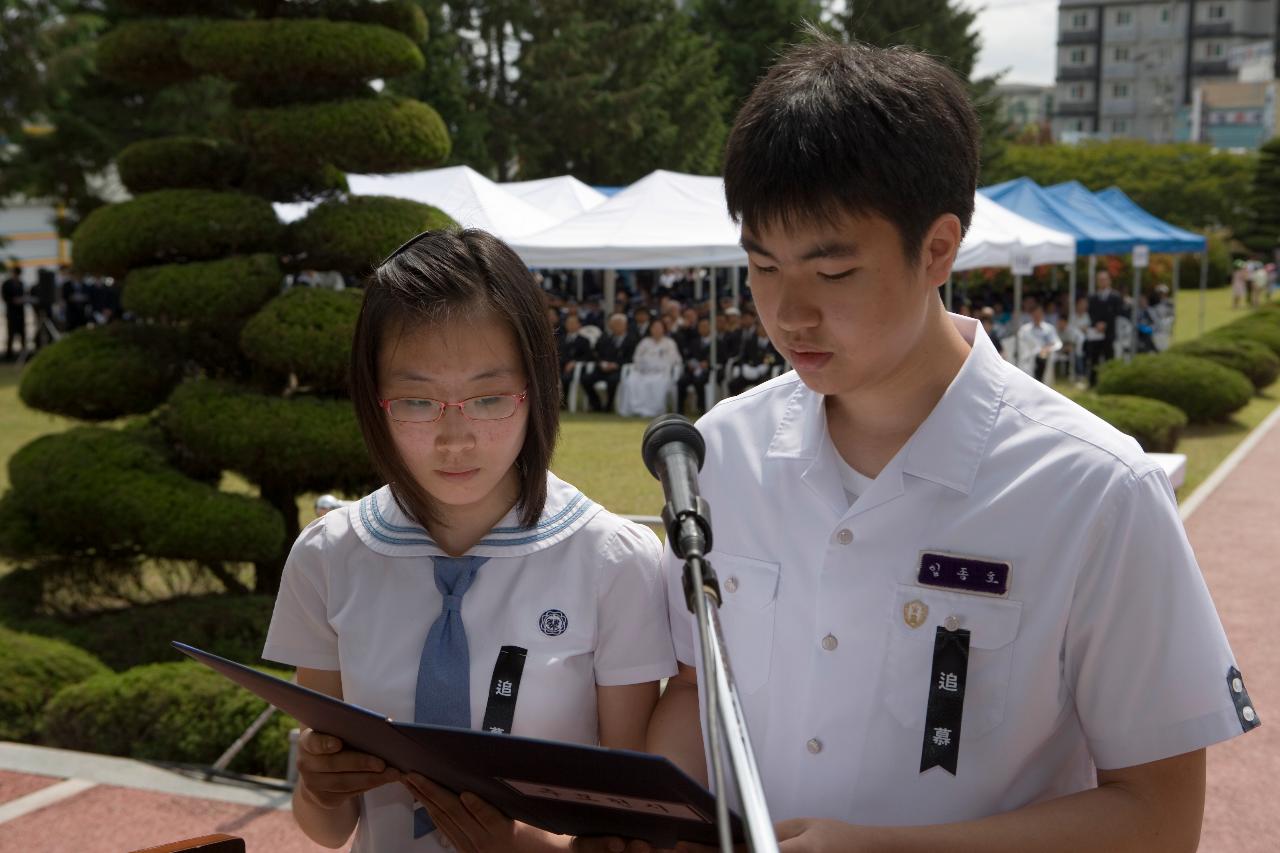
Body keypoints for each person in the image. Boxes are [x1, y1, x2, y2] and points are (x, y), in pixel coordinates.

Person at [582, 33, 1257, 853]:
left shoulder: (1095, 490)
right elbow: (697, 688)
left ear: (939, 248)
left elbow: (1158, 816)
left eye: (832, 274)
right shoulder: (721, 452)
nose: (790, 313)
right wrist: (654, 824)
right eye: (762, 266)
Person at [262, 229, 676, 853]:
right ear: (375, 400)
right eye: (417, 401)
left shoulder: (613, 561)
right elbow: (327, 829)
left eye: (487, 398)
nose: (455, 439)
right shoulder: (330, 555)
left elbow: (634, 828)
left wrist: (516, 847)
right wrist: (321, 789)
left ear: (535, 386)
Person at [617, 317, 681, 417]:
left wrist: (657, 364)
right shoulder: (644, 342)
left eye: (659, 327)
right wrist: (645, 365)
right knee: (631, 381)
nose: (656, 330)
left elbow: (674, 359)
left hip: (661, 372)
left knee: (657, 383)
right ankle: (634, 409)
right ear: (650, 329)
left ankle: (653, 410)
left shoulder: (669, 343)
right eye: (654, 327)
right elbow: (637, 357)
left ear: (663, 329)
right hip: (643, 371)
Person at [582, 313, 635, 413]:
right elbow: (595, 354)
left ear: (625, 325)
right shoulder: (605, 338)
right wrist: (601, 363)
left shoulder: (631, 339)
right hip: (602, 369)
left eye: (618, 324)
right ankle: (596, 405)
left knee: (612, 381)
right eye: (613, 324)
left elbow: (631, 358)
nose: (615, 327)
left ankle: (608, 406)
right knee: (585, 379)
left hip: (619, 369)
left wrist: (616, 365)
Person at [1086, 270, 1122, 385]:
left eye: (1104, 279)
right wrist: (1097, 323)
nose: (1102, 282)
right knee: (1094, 358)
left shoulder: (1115, 296)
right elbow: (1091, 312)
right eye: (1100, 280)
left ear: (1109, 281)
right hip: (1096, 332)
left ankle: (1110, 382)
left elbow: (1117, 312)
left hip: (1109, 332)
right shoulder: (1093, 297)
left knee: (1109, 358)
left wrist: (1105, 324)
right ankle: (1092, 383)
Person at [1015, 301, 1062, 382]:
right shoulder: (1024, 329)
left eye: (1039, 314)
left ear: (1043, 314)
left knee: (1042, 358)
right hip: (1028, 355)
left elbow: (1057, 343)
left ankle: (1040, 382)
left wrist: (1048, 348)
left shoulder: (1049, 328)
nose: (1037, 316)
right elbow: (1020, 343)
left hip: (1045, 354)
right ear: (1031, 315)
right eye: (1035, 314)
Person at [557, 312, 593, 408]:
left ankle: (564, 403)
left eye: (573, 323)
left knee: (566, 378)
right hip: (559, 366)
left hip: (576, 368)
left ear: (579, 325)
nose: (571, 325)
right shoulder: (560, 339)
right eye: (569, 323)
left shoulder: (584, 340)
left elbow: (588, 356)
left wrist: (575, 362)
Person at [2, 264, 27, 361]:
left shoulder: (21, 283)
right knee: (11, 333)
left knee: (22, 333)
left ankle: (23, 355)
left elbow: (23, 295)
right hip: (11, 312)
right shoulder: (6, 284)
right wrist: (13, 300)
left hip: (20, 312)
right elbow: (5, 297)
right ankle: (9, 355)